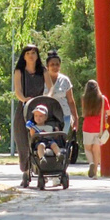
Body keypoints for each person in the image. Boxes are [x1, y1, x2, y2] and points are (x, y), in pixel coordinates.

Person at [13, 44, 53, 184]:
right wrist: (24, 99)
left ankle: (43, 167)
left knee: (42, 137)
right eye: (28, 53)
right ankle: (25, 170)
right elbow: (18, 90)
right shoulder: (19, 71)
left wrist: (47, 98)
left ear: (37, 55)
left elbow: (50, 88)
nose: (31, 55)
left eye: (33, 53)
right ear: (24, 56)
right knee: (22, 138)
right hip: (24, 106)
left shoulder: (43, 70)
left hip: (40, 107)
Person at [81, 79, 110, 179]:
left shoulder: (84, 98)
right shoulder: (103, 99)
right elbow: (109, 112)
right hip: (99, 128)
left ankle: (91, 163)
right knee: (96, 151)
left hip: (87, 127)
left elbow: (84, 112)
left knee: (87, 149)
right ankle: (95, 174)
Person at [45, 50, 79, 133]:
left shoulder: (65, 80)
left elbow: (71, 101)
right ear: (47, 67)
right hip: (46, 117)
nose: (55, 67)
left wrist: (75, 118)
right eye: (52, 64)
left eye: (57, 64)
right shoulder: (42, 80)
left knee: (61, 139)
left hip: (64, 116)